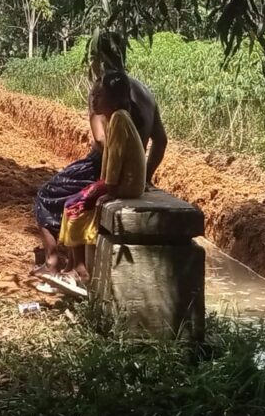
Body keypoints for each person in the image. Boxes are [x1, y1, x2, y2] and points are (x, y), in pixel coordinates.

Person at [31, 31, 168, 279]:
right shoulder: (145, 91)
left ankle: (54, 260)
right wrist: (143, 176)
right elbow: (161, 140)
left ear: (97, 59)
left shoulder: (103, 89)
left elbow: (102, 140)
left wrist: (111, 175)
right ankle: (73, 258)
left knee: (46, 195)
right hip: (128, 173)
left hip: (102, 167)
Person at [54, 72, 147, 295]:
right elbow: (109, 158)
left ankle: (80, 270)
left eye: (99, 95)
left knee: (75, 205)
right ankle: (72, 265)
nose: (93, 100)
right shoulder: (115, 117)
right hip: (119, 183)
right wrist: (100, 185)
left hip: (125, 186)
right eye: (93, 95)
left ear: (113, 99)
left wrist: (106, 188)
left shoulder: (119, 118)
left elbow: (115, 158)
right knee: (74, 201)